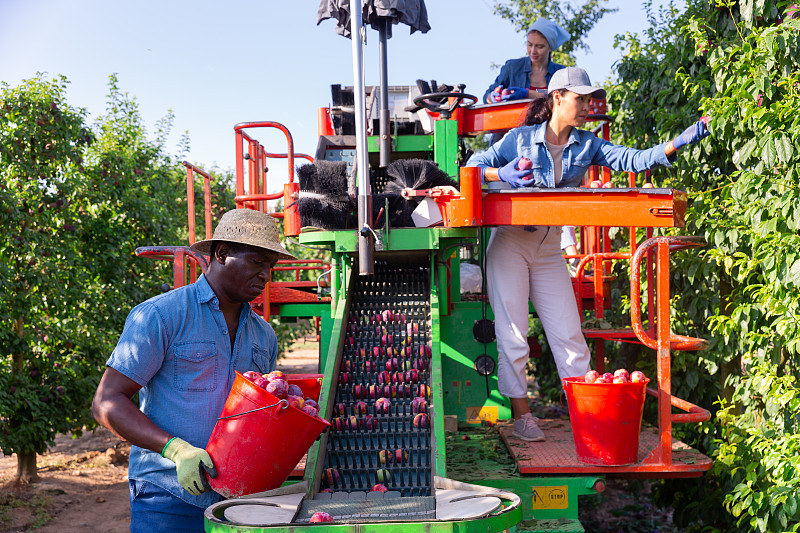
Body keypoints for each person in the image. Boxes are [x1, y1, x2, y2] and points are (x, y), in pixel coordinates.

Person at [467, 67, 710, 442]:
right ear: (557, 98)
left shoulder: (587, 144)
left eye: (588, 99)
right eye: (580, 99)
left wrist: (678, 142)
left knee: (569, 336)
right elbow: (470, 168)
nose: (586, 106)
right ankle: (522, 416)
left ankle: (587, 416)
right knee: (513, 336)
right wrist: (503, 174)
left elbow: (633, 159)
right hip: (510, 243)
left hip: (548, 249)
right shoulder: (519, 140)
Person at [92, 208, 296, 532]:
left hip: (237, 501)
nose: (266, 276)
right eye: (258, 262)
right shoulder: (161, 315)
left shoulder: (264, 335)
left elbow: (260, 414)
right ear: (223, 253)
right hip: (167, 497)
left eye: (270, 267)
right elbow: (107, 402)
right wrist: (175, 449)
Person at [483, 18, 571, 104]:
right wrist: (492, 97)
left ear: (550, 48)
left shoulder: (561, 73)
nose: (533, 51)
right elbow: (487, 96)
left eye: (539, 46)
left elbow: (566, 98)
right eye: (529, 45)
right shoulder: (512, 68)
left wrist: (527, 93)